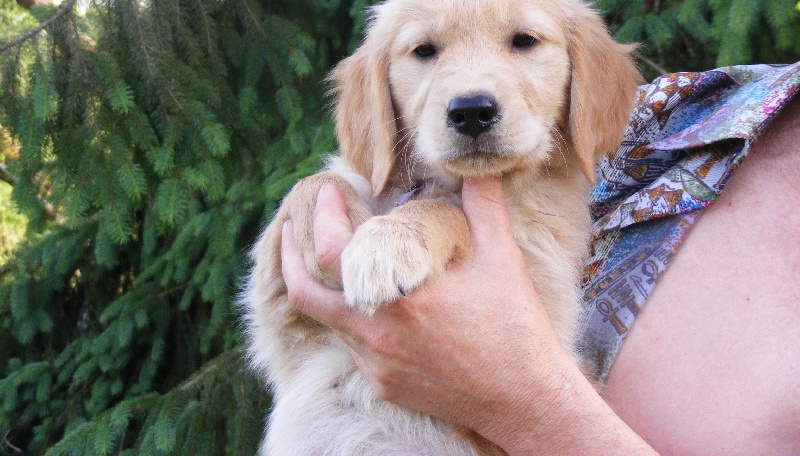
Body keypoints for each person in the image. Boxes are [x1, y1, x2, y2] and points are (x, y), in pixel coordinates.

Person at [280, 63, 800, 455]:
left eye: (524, 41)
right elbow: (287, 337)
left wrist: (528, 405)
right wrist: (320, 205)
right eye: (425, 49)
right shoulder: (684, 111)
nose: (472, 86)